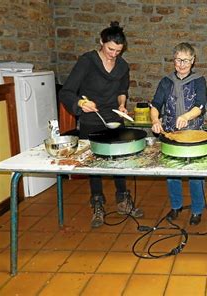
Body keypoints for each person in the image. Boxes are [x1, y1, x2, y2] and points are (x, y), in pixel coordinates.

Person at [59, 21, 144, 228]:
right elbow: (66, 91)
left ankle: (123, 199)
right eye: (110, 49)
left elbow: (122, 89)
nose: (113, 54)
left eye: (118, 51)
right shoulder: (87, 61)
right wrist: (81, 103)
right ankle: (97, 203)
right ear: (101, 42)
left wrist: (122, 105)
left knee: (121, 160)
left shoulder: (122, 66)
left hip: (114, 118)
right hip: (91, 119)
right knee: (94, 164)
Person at [150, 42, 207, 226]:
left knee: (195, 173)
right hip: (171, 134)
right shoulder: (166, 81)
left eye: (186, 61)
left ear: (193, 61)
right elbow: (155, 105)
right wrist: (155, 120)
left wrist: (186, 116)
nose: (181, 64)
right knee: (172, 172)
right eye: (178, 60)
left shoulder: (199, 80)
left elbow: (200, 105)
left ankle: (197, 210)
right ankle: (176, 206)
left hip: (193, 134)